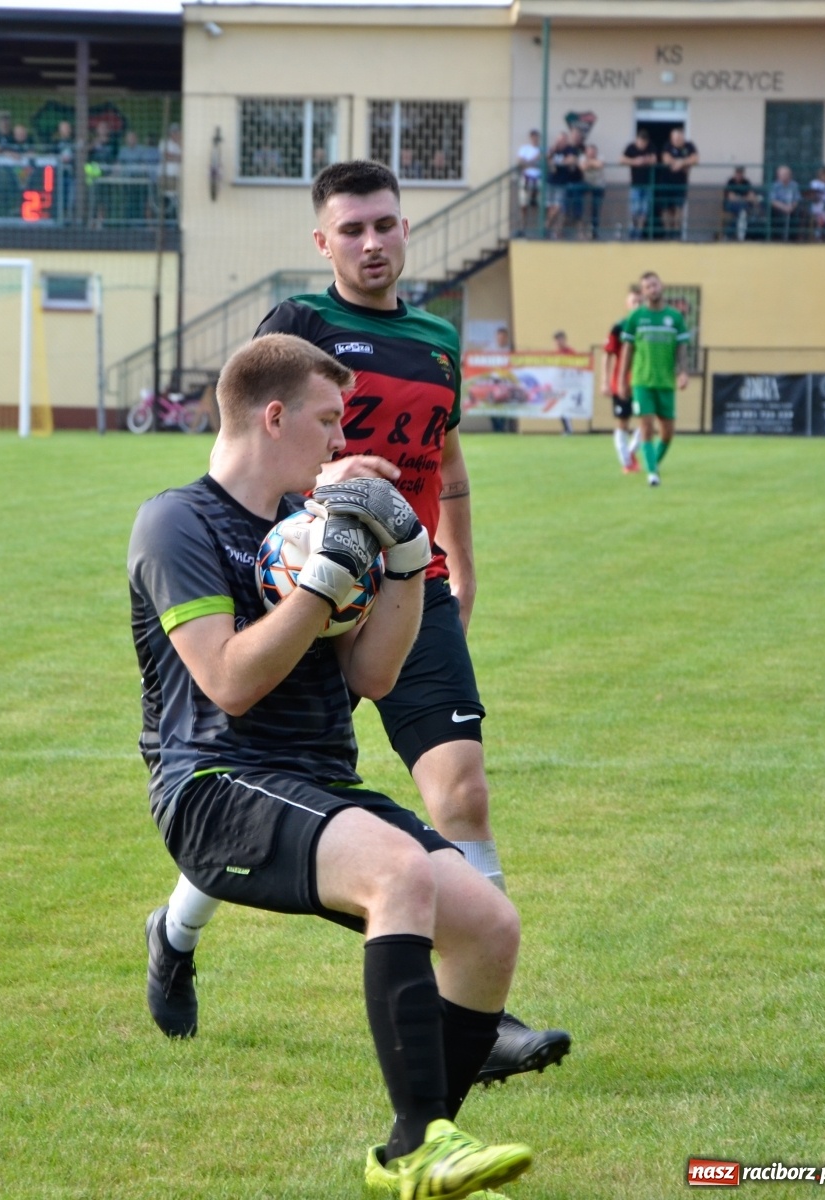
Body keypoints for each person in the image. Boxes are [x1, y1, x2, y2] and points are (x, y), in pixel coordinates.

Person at [153, 160, 571, 1087]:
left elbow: (447, 456)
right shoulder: (299, 327)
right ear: (324, 242)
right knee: (280, 775)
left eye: (385, 224)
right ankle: (176, 931)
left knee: (460, 791)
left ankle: (487, 1015)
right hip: (314, 581)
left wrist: (455, 557)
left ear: (404, 228)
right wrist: (291, 553)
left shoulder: (434, 340)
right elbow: (253, 445)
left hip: (407, 584)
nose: (371, 242)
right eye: (352, 230)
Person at [130, 331, 535, 1198]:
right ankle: (415, 1140)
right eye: (326, 421)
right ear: (272, 417)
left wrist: (399, 560)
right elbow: (229, 682)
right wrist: (320, 583)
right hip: (214, 782)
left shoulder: (306, 524)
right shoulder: (177, 521)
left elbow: (372, 675)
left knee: (488, 929)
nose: (341, 441)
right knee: (399, 875)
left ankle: (430, 1154)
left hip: (318, 781)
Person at [617, 271, 690, 487]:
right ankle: (652, 475)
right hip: (642, 381)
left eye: (655, 285)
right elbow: (627, 350)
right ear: (643, 292)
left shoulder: (675, 317)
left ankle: (652, 464)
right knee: (646, 426)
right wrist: (622, 380)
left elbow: (682, 348)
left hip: (666, 382)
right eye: (647, 287)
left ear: (662, 286)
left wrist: (683, 372)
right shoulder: (635, 317)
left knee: (668, 433)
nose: (652, 289)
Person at [602, 284, 643, 473]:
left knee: (648, 421)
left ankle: (631, 453)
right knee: (623, 422)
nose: (637, 305)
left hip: (644, 381)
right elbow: (608, 354)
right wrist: (604, 381)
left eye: (640, 302)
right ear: (627, 304)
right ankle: (627, 463)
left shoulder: (648, 326)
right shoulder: (619, 327)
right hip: (622, 382)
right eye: (634, 301)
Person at [660, 128, 699, 237]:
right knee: (666, 208)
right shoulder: (667, 145)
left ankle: (676, 233)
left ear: (683, 137)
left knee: (679, 208)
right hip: (666, 182)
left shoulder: (689, 146)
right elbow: (665, 158)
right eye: (674, 138)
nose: (676, 140)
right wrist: (680, 163)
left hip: (681, 183)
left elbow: (695, 159)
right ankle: (668, 232)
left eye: (678, 138)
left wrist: (681, 162)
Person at [620, 130, 658, 239]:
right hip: (635, 184)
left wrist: (645, 160)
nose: (642, 145)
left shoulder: (651, 147)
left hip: (648, 184)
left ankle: (639, 232)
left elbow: (654, 160)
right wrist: (635, 161)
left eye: (644, 143)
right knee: (635, 209)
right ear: (637, 140)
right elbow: (621, 159)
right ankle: (633, 228)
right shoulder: (631, 147)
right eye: (640, 142)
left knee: (644, 210)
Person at [515, 129, 541, 234]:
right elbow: (520, 162)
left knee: (539, 204)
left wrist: (528, 162)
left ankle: (539, 228)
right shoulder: (524, 149)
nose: (535, 139)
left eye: (536, 137)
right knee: (523, 203)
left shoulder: (542, 150)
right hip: (526, 178)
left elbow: (545, 162)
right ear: (530, 138)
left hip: (538, 179)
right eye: (533, 137)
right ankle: (523, 226)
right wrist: (533, 161)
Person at [545, 131, 570, 239]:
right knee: (551, 207)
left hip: (561, 183)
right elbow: (546, 159)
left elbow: (570, 160)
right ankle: (551, 230)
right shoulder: (552, 150)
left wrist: (557, 163)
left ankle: (547, 225)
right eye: (558, 140)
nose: (560, 142)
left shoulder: (569, 150)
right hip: (550, 182)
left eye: (562, 140)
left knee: (559, 207)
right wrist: (552, 153)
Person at [722, 166, 758, 240]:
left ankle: (731, 235)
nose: (739, 175)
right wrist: (744, 198)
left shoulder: (746, 182)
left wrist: (740, 198)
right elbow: (731, 198)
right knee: (742, 212)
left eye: (741, 173)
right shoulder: (730, 182)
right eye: (737, 173)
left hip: (743, 206)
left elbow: (752, 197)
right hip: (730, 205)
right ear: (735, 173)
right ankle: (735, 235)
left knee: (742, 213)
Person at [552, 330, 577, 434]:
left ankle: (569, 429)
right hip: (558, 384)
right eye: (557, 340)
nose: (558, 342)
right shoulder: (555, 354)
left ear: (564, 340)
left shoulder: (570, 352)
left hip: (568, 384)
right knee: (559, 407)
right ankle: (566, 428)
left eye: (560, 339)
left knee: (566, 406)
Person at [769, 165, 802, 241]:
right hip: (779, 208)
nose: (785, 176)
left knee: (797, 214)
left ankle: (793, 238)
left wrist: (791, 207)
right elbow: (772, 200)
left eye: (787, 174)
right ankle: (777, 238)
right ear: (778, 176)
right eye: (782, 174)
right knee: (775, 214)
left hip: (791, 207)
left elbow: (797, 199)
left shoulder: (794, 185)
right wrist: (784, 207)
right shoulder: (775, 186)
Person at [581, 143, 606, 239]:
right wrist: (592, 163)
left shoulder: (601, 157)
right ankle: (583, 230)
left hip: (599, 186)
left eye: (593, 152)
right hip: (586, 185)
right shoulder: (582, 157)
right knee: (580, 203)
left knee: (596, 209)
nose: (591, 154)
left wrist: (589, 163)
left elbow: (599, 164)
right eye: (589, 152)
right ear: (586, 152)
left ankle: (594, 232)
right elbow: (582, 167)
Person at [808, 166, 825, 240]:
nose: (824, 177)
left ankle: (824, 232)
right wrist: (817, 197)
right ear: (819, 175)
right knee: (821, 212)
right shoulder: (814, 183)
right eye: (823, 175)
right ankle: (821, 233)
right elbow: (812, 195)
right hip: (817, 206)